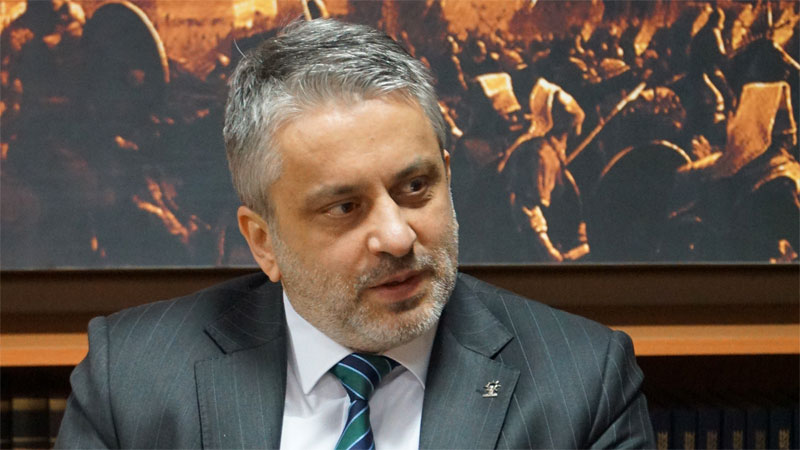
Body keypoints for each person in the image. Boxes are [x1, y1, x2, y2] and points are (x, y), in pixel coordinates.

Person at [56, 19, 654, 449]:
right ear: (263, 242)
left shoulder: (582, 382)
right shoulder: (132, 380)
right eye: (344, 207)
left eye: (415, 186)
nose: (396, 237)